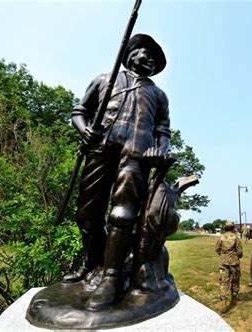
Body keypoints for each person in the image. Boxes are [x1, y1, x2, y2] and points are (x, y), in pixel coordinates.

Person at [64, 34, 171, 310]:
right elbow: (79, 111)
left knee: (123, 213)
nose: (149, 58)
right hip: (100, 147)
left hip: (137, 149)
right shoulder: (104, 79)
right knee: (87, 214)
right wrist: (84, 129)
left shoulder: (158, 95)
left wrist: (159, 149)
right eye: (144, 52)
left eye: (154, 58)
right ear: (130, 54)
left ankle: (111, 277)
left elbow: (163, 130)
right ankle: (93, 264)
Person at [215, 221, 243, 313]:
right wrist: (236, 255)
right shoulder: (236, 237)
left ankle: (223, 301)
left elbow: (217, 249)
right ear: (233, 227)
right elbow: (239, 252)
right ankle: (234, 299)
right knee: (235, 281)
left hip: (224, 263)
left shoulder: (221, 237)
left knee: (224, 281)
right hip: (234, 263)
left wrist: (223, 255)